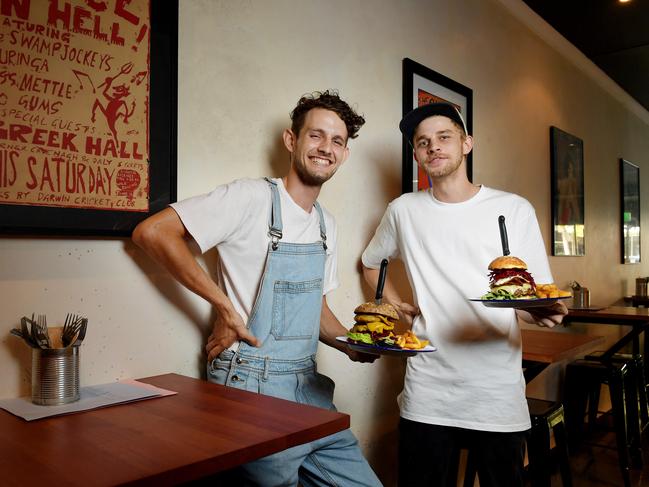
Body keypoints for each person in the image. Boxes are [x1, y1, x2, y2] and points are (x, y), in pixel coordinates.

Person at [132, 90, 382, 487]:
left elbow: (313, 308)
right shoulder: (250, 197)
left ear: (345, 154)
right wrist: (224, 307)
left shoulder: (325, 223)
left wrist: (350, 343)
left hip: (309, 386)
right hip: (250, 384)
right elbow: (153, 232)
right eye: (315, 136)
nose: (325, 148)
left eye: (337, 141)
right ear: (291, 140)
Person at [360, 102, 568, 486]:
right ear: (416, 154)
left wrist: (541, 312)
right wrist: (393, 303)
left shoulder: (513, 209)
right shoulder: (403, 210)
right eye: (423, 142)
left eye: (444, 137)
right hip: (427, 392)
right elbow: (371, 262)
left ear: (466, 143)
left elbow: (526, 298)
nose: (433, 147)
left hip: (495, 391)